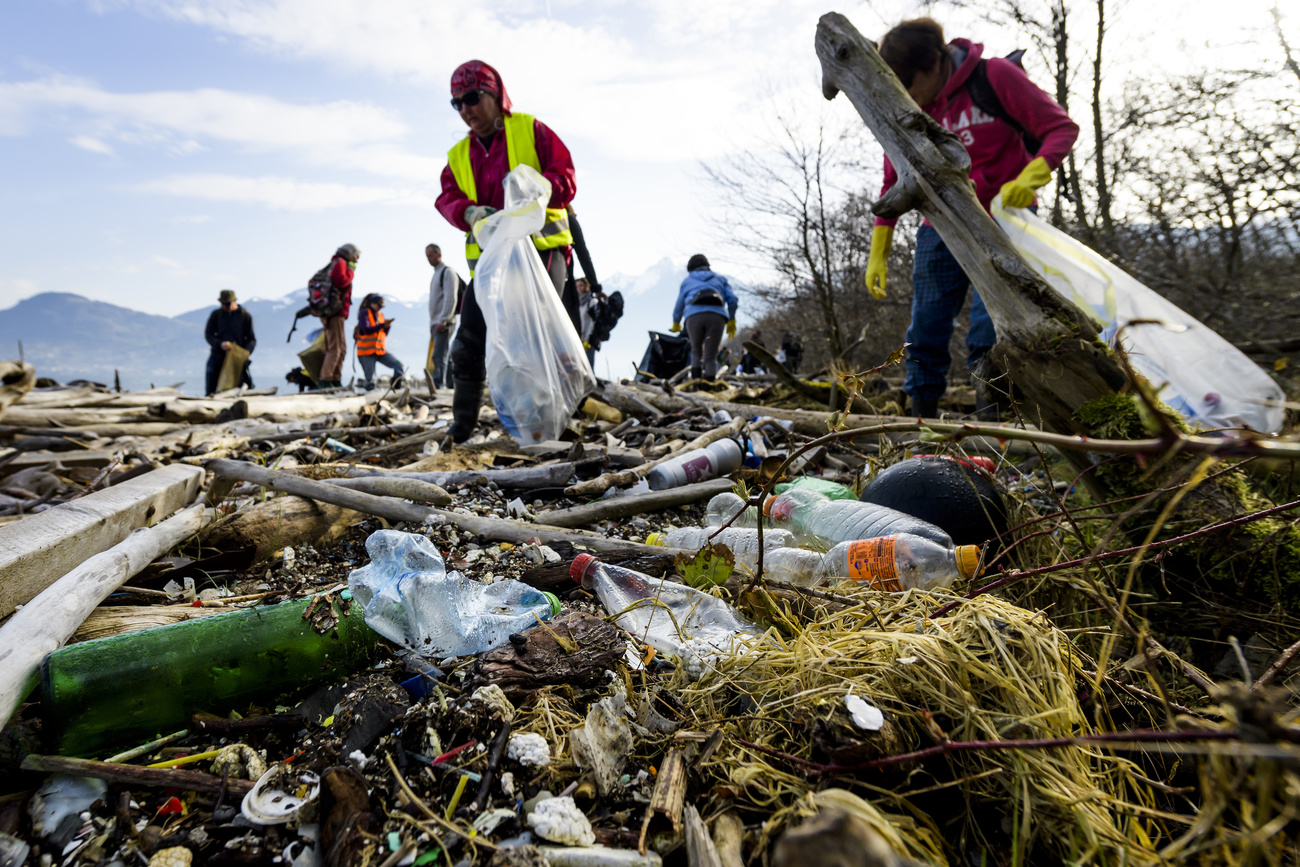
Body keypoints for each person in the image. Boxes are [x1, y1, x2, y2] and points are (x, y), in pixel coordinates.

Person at [864, 18, 1079, 418]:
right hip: (939, 226)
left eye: (909, 82)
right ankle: (921, 420)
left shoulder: (993, 76)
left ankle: (992, 425)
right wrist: (881, 245)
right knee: (925, 328)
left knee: (990, 329)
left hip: (1005, 218)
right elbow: (893, 177)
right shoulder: (906, 105)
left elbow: (1060, 128)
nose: (905, 93)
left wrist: (1034, 173)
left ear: (933, 64)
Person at [435, 60, 577, 442]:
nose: (466, 110)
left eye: (472, 98)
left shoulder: (530, 130)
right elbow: (446, 196)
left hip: (541, 252)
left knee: (541, 338)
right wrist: (466, 210)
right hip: (490, 264)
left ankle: (555, 423)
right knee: (467, 344)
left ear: (496, 95)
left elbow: (565, 176)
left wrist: (540, 188)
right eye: (457, 104)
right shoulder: (458, 155)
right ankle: (462, 428)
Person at [671, 254, 738, 381]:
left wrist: (676, 322)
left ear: (690, 268)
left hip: (694, 317)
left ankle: (696, 387)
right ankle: (709, 389)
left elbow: (678, 306)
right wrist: (732, 320)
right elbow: (733, 300)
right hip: (716, 317)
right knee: (711, 356)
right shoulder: (720, 279)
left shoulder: (687, 281)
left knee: (696, 352)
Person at [319, 243, 360, 388]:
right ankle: (326, 380)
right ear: (349, 253)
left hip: (337, 312)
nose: (357, 260)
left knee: (341, 348)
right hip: (335, 312)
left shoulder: (336, 262)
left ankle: (335, 379)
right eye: (356, 256)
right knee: (336, 348)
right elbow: (342, 281)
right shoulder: (341, 263)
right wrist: (351, 270)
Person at [204, 289, 256, 395]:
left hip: (237, 358)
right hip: (218, 354)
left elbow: (251, 339)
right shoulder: (216, 315)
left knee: (242, 385)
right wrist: (220, 344)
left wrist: (245, 353)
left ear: (234, 301)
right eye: (223, 304)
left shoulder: (245, 316)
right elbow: (208, 334)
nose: (225, 306)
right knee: (211, 380)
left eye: (227, 304)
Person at [426, 244, 462, 390]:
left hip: (444, 322)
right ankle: (452, 384)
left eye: (431, 255)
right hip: (437, 322)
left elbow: (450, 298)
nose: (429, 259)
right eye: (427, 256)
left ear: (439, 254)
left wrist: (443, 320)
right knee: (444, 355)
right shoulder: (436, 274)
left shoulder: (447, 273)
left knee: (439, 356)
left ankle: (438, 386)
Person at [355, 293, 405, 390]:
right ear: (373, 303)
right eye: (379, 305)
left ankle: (396, 387)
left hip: (379, 350)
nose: (380, 308)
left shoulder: (380, 315)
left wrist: (387, 326)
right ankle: (370, 397)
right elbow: (366, 329)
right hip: (366, 352)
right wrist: (382, 325)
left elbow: (383, 334)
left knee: (399, 365)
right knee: (370, 379)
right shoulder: (364, 313)